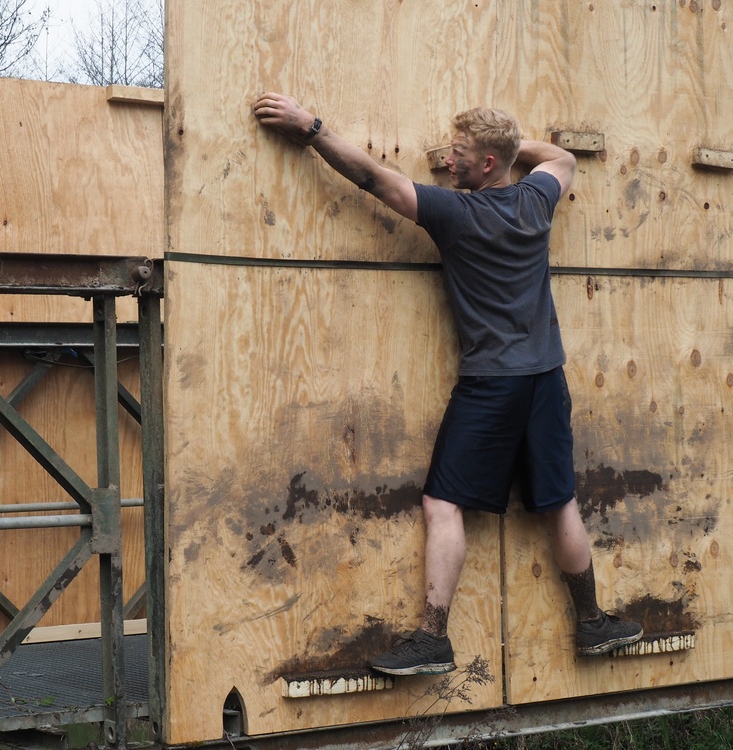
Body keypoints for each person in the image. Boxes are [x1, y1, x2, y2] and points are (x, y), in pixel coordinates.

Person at [252, 92, 643, 676]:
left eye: (459, 154)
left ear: (487, 163)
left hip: (491, 385)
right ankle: (592, 625)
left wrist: (310, 128)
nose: (447, 160)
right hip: (545, 379)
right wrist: (510, 146)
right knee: (559, 503)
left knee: (441, 504)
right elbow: (559, 157)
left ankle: (433, 638)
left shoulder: (456, 214)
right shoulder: (539, 198)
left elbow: (371, 178)